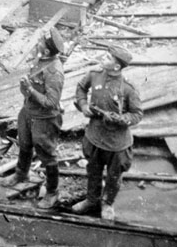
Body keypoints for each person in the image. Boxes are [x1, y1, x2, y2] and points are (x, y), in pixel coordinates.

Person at [72, 45, 143, 221]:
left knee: (113, 176)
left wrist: (120, 119)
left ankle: (107, 203)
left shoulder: (128, 88)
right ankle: (91, 200)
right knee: (93, 171)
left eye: (108, 57)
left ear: (117, 66)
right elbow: (81, 88)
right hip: (95, 135)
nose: (102, 58)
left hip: (117, 142)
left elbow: (137, 114)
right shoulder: (94, 75)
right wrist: (83, 105)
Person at [7, 28, 65, 210]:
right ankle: (21, 174)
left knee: (47, 155)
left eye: (41, 41)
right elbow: (29, 88)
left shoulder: (54, 71)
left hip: (45, 119)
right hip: (28, 112)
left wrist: (30, 91)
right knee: (24, 143)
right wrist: (25, 87)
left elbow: (51, 102)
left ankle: (52, 192)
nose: (37, 42)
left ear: (47, 51)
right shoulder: (40, 59)